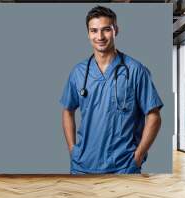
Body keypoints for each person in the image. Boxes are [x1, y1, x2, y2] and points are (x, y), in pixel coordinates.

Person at [60, 6, 163, 174]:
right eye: (94, 31)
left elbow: (154, 116)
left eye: (106, 30)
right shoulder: (78, 72)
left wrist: (138, 155)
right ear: (88, 34)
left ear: (116, 30)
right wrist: (73, 150)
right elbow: (67, 111)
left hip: (123, 166)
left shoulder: (135, 70)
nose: (99, 36)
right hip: (83, 165)